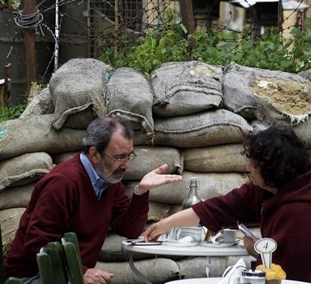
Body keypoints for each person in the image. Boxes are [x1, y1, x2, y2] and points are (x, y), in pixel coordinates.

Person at [144, 126, 311, 284]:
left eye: (254, 164)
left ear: (273, 170)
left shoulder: (301, 210)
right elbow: (220, 208)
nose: (248, 168)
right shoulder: (265, 190)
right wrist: (166, 224)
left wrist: (255, 250)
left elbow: (287, 274)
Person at [4, 116, 183, 284]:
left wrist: (141, 191)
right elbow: (38, 244)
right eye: (119, 157)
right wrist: (80, 272)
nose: (126, 165)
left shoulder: (109, 181)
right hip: (33, 277)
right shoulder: (63, 183)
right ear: (94, 154)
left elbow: (129, 229)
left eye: (129, 156)